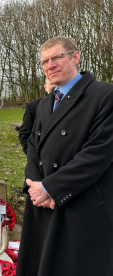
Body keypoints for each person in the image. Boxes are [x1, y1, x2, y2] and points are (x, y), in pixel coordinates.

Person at [16, 36, 113, 276]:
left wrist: (52, 188)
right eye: (45, 61)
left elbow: (97, 153)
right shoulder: (45, 103)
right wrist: (35, 186)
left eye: (57, 57)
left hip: (80, 203)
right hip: (43, 203)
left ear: (75, 57)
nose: (50, 65)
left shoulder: (104, 94)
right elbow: (33, 147)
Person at [18, 78, 55, 154]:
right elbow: (24, 133)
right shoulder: (33, 106)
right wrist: (32, 156)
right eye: (52, 83)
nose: (55, 86)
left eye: (58, 84)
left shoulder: (71, 105)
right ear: (45, 87)